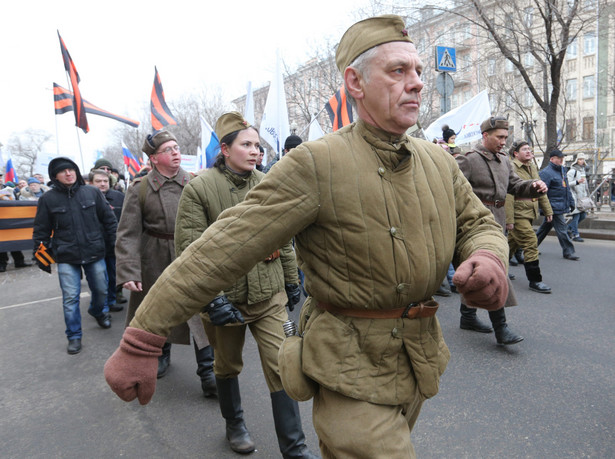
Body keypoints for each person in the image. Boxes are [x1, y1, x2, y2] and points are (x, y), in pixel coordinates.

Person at [105, 15, 510, 458]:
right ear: (354, 82)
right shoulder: (317, 164)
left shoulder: (439, 162)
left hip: (417, 358)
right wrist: (143, 337)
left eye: (417, 71)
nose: (416, 83)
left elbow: (478, 223)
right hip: (347, 366)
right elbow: (219, 250)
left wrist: (488, 257)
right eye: (398, 71)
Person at [174, 112, 316, 457]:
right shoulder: (200, 189)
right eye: (246, 144)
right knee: (226, 366)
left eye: (257, 145)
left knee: (282, 365)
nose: (256, 151)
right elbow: (192, 250)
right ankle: (234, 425)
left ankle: (294, 448)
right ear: (225, 149)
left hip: (269, 296)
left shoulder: (266, 182)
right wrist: (213, 299)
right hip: (228, 301)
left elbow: (282, 235)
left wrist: (289, 277)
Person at [114, 130, 216, 396]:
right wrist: (129, 270)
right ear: (154, 158)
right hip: (155, 258)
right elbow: (127, 233)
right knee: (158, 309)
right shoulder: (140, 188)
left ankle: (208, 371)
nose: (176, 152)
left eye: (177, 147)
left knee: (199, 313)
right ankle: (161, 353)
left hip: (190, 254)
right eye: (168, 149)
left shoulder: (194, 183)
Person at [456, 117, 547, 344]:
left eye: (506, 137)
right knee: (493, 272)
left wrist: (534, 186)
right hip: (474, 224)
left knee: (478, 272)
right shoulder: (468, 160)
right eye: (499, 137)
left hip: (498, 220)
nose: (504, 142)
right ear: (485, 135)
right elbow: (453, 191)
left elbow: (515, 186)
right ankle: (501, 328)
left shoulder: (504, 160)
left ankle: (467, 316)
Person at [33, 157, 116, 354]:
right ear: (55, 176)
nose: (68, 173)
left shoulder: (92, 192)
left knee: (102, 290)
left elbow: (109, 221)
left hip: (95, 252)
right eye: (63, 171)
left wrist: (114, 245)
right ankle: (74, 335)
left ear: (77, 172)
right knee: (70, 298)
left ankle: (98, 311)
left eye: (71, 169)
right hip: (66, 255)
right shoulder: (47, 199)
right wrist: (41, 257)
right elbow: (41, 231)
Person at [505, 141, 553, 293]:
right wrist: (509, 219)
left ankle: (497, 270)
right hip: (518, 214)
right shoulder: (511, 167)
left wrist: (548, 210)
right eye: (524, 149)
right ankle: (535, 280)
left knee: (510, 245)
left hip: (529, 212)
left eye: (529, 149)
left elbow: (540, 189)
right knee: (531, 242)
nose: (528, 151)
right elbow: (509, 194)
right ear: (515, 153)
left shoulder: (532, 166)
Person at [90, 169, 125, 312]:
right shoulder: (85, 197)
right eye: (98, 181)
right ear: (91, 183)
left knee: (113, 275)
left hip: (113, 244)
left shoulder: (119, 197)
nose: (102, 184)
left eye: (105, 181)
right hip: (93, 246)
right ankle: (101, 307)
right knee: (98, 279)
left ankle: (111, 300)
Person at [536, 149, 579, 260]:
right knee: (562, 230)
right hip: (553, 207)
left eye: (562, 158)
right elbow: (542, 192)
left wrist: (571, 201)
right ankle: (568, 251)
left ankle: (530, 247)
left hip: (559, 205)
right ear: (552, 159)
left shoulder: (562, 171)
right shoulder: (545, 173)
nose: (561, 160)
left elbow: (566, 188)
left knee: (544, 229)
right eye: (559, 158)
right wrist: (546, 208)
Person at [567, 153, 589, 242]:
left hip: (582, 198)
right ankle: (575, 234)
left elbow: (585, 185)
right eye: (580, 159)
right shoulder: (572, 171)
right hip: (574, 197)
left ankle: (568, 229)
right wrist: (577, 182)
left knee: (583, 215)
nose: (582, 161)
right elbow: (567, 183)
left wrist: (587, 193)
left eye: (583, 159)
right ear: (576, 160)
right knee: (576, 216)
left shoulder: (582, 171)